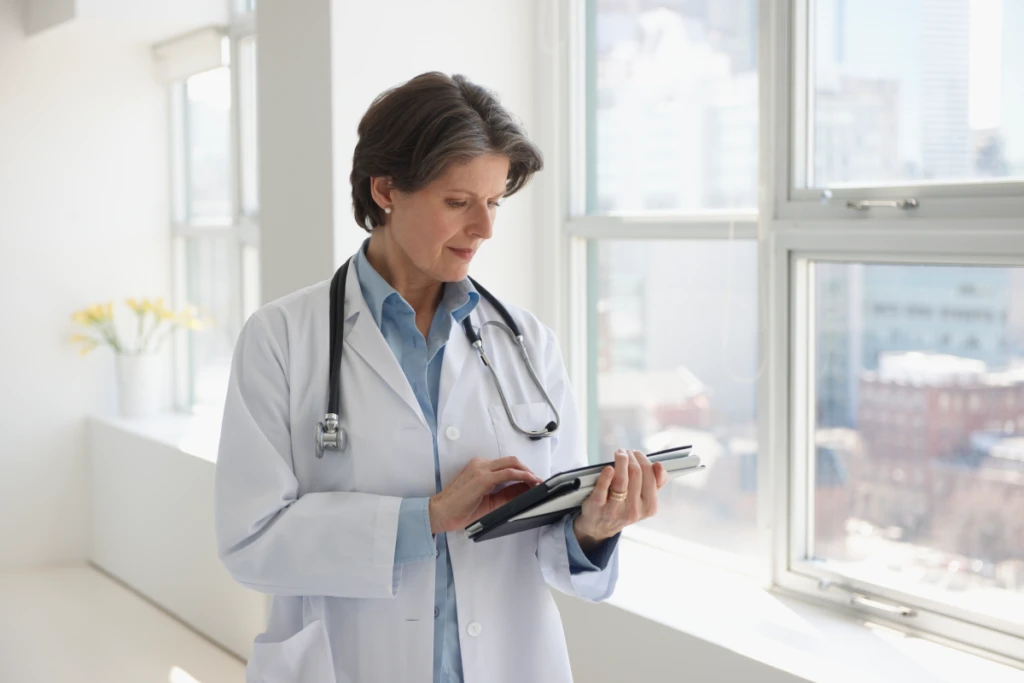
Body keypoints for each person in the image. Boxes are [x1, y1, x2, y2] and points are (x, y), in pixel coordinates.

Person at [214, 71, 669, 683]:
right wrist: (423, 517)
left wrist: (594, 530)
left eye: (494, 202)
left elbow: (550, 541)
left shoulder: (527, 344)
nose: (484, 228)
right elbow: (251, 543)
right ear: (385, 190)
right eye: (458, 203)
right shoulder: (280, 339)